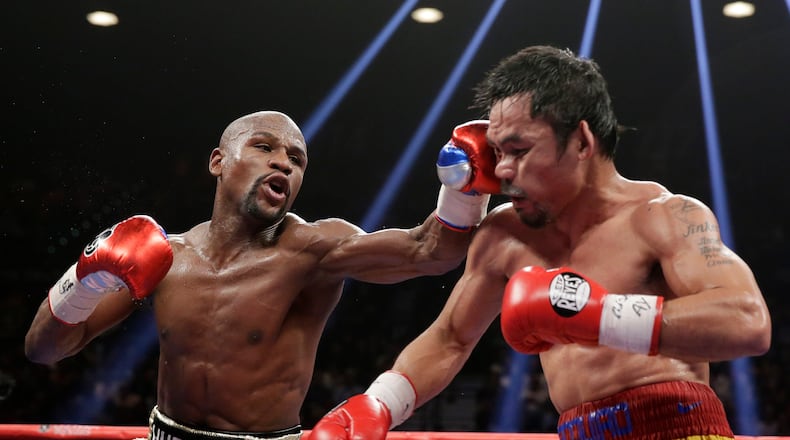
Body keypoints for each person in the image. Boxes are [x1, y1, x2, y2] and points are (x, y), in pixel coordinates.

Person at [309, 45, 772, 440]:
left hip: (679, 426)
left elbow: (747, 321)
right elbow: (450, 339)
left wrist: (599, 316)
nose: (502, 170)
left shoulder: (663, 216)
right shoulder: (504, 234)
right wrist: (379, 404)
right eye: (497, 151)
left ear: (582, 141)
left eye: (519, 150)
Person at [24, 110, 500, 440]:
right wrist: (83, 278)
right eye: (264, 147)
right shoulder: (167, 256)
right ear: (218, 162)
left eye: (296, 160)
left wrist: (466, 188)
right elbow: (44, 351)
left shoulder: (312, 249)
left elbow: (430, 252)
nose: (283, 163)